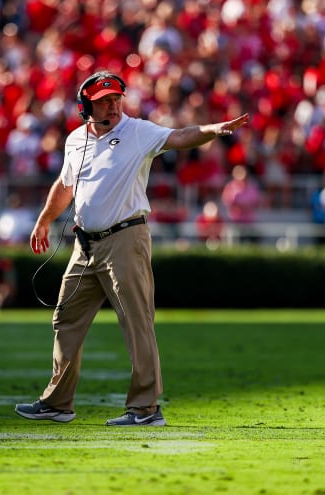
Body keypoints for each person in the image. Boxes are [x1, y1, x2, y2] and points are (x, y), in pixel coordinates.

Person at [14, 70, 249, 426]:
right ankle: (58, 404)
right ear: (86, 106)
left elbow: (179, 137)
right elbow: (65, 186)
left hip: (125, 239)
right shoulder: (76, 139)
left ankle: (145, 408)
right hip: (85, 244)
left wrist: (211, 130)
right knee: (65, 319)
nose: (112, 106)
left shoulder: (137, 130)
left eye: (115, 99)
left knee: (137, 323)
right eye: (104, 101)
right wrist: (45, 220)